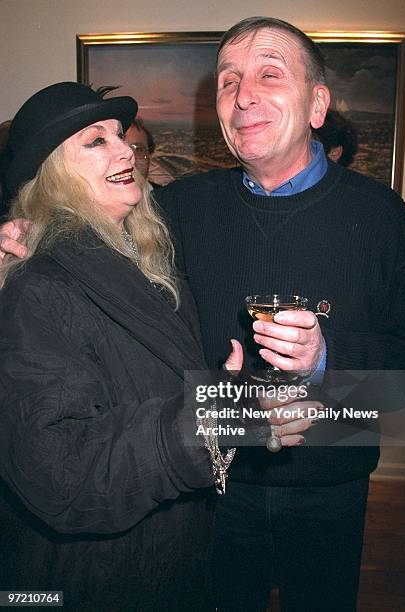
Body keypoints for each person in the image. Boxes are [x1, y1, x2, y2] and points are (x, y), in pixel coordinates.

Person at [1, 17, 405, 611]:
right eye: (228, 81)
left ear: (318, 105)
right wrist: (23, 228)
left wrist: (327, 361)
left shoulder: (381, 215)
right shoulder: (179, 210)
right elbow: (82, 215)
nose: (244, 94)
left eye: (270, 74)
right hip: (212, 496)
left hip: (332, 486)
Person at [0, 81, 241, 611]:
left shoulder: (147, 261)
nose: (124, 149)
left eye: (120, 137)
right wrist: (209, 423)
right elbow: (58, 473)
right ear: (51, 176)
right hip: (85, 580)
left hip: (161, 560)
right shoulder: (37, 289)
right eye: (95, 141)